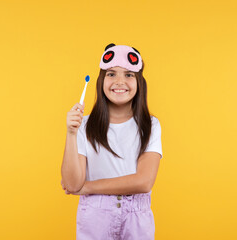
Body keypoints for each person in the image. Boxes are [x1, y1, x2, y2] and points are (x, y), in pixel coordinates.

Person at [61, 43, 163, 240]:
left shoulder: (150, 125)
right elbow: (72, 183)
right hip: (95, 218)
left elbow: (144, 181)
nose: (119, 81)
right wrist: (71, 133)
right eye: (111, 74)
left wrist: (87, 187)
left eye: (128, 74)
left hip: (136, 220)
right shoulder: (84, 126)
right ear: (101, 80)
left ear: (139, 81)